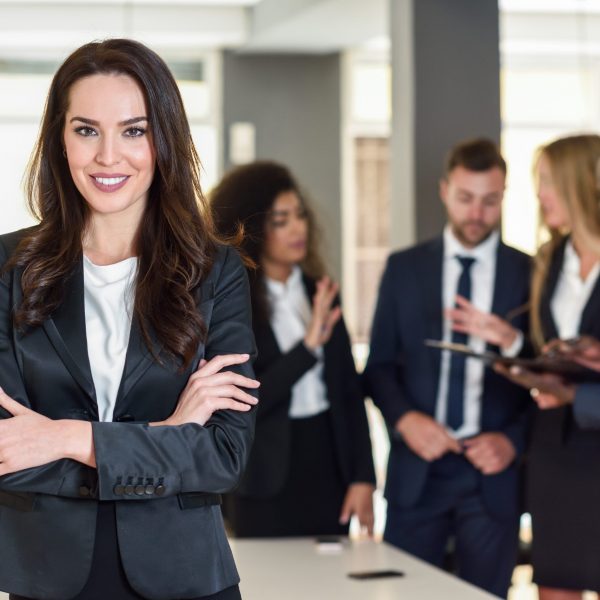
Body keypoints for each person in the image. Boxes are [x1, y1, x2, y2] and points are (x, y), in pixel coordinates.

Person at [0, 39, 259, 600]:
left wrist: (65, 437)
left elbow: (223, 455)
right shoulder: (6, 269)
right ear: (59, 139)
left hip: (187, 579)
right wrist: (166, 436)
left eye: (134, 130)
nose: (108, 157)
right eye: (87, 130)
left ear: (164, 140)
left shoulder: (215, 273)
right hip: (46, 577)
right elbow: (8, 453)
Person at [364, 138, 531, 598]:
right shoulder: (404, 269)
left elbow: (550, 381)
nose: (476, 213)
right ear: (444, 191)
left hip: (492, 477)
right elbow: (378, 368)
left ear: (504, 197)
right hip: (418, 471)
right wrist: (406, 420)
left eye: (490, 200)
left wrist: (512, 442)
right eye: (465, 198)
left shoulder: (531, 273)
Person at [461, 134, 600, 599]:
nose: (540, 194)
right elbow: (551, 348)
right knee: (555, 586)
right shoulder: (550, 259)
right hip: (556, 450)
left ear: (582, 184)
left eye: (547, 182)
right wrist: (512, 343)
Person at [210, 160, 376, 538]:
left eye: (299, 215)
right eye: (281, 220)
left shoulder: (322, 292)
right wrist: (307, 348)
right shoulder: (234, 303)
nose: (298, 227)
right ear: (252, 227)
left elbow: (350, 394)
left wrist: (363, 476)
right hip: (263, 474)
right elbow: (242, 399)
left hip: (328, 464)